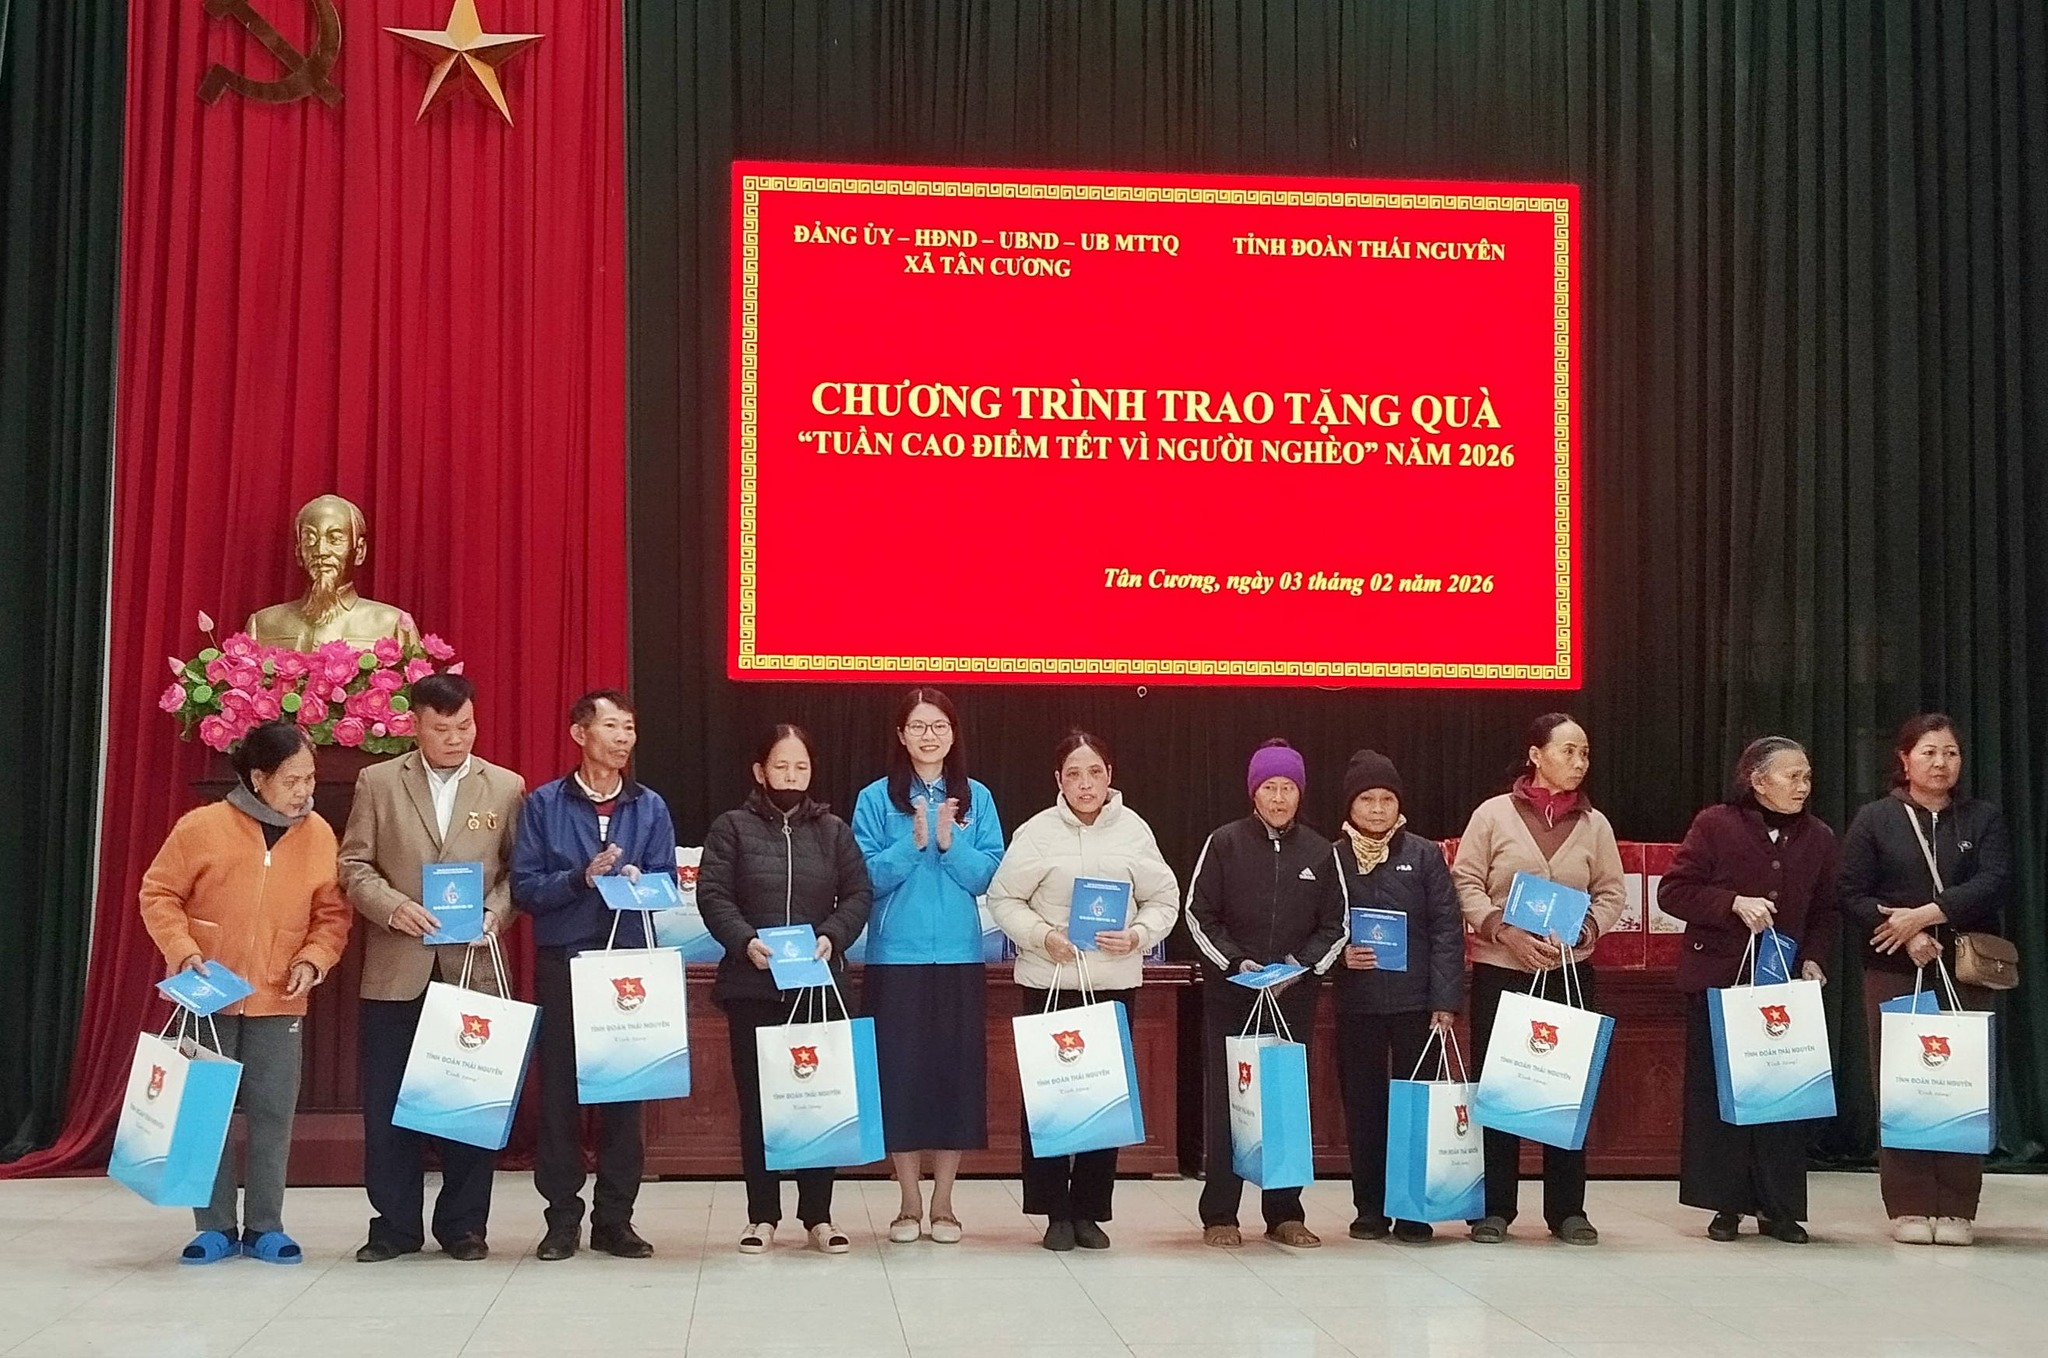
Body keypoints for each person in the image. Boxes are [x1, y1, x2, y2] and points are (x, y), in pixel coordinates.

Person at [138, 720, 353, 1265]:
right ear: (258, 778)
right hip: (207, 993)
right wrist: (184, 950)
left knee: (273, 1113)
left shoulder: (319, 834)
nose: (304, 791)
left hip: (280, 995)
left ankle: (264, 1227)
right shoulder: (203, 826)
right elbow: (158, 893)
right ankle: (212, 1226)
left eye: (309, 778)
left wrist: (314, 959)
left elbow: (332, 915)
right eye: (292, 780)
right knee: (203, 1112)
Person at [339, 672, 525, 1262]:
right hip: (399, 966)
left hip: (473, 965)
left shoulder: (505, 786)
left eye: (465, 726)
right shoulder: (378, 782)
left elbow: (518, 872)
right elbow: (353, 865)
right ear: (414, 725)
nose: (456, 738)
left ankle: (464, 1226)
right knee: (390, 1106)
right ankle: (394, 1227)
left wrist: (494, 914)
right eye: (442, 729)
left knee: (470, 1099)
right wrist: (392, 907)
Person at [985, 730, 1180, 1251]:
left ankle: (1090, 1211)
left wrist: (1137, 935)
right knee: (1048, 1101)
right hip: (1049, 982)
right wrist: (1040, 936)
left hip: (1112, 982)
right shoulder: (1036, 833)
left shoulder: (1135, 831)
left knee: (1103, 1100)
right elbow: (1003, 899)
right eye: (1074, 773)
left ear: (1110, 775)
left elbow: (1165, 900)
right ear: (1058, 780)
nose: (1085, 783)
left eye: (1095, 772)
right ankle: (1053, 1210)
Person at [510, 690, 677, 1261]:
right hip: (566, 961)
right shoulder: (543, 804)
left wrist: (639, 881)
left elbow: (667, 885)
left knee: (626, 1094)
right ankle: (561, 1221)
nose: (623, 738)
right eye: (612, 726)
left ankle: (616, 1220)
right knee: (560, 1094)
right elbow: (525, 888)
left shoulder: (649, 806)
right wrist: (581, 878)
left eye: (629, 727)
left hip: (627, 965)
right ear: (580, 734)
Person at [697, 724, 873, 1255]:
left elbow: (858, 893)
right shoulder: (732, 827)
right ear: (760, 771)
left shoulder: (834, 831)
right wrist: (744, 941)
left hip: (819, 987)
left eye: (801, 767)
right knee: (759, 1105)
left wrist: (833, 936)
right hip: (753, 985)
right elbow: (713, 893)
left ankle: (818, 1215)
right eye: (781, 766)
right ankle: (762, 1216)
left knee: (819, 1100)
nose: (791, 776)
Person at [1452, 713, 1626, 1246]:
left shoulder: (1595, 825)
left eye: (1585, 753)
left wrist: (1584, 931)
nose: (1580, 762)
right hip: (1502, 971)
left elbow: (1612, 892)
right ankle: (1495, 1209)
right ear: (1536, 755)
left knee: (1565, 1089)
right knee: (1500, 1088)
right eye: (1568, 750)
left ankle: (1568, 1210)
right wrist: (1503, 932)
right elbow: (1466, 880)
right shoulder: (1492, 814)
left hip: (1569, 974)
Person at [1838, 713, 2012, 1246]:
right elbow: (1850, 892)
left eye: (1950, 753)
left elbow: (1996, 881)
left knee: (1961, 1085)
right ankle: (1909, 1205)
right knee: (1904, 1085)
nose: (1941, 763)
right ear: (1904, 759)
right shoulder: (1875, 818)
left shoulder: (1982, 818)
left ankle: (1957, 1208)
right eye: (1929, 752)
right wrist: (1905, 932)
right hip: (1894, 969)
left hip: (1966, 970)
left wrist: (1929, 914)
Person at [1658, 737, 1838, 1243]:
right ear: (1757, 781)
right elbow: (1673, 892)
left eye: (1807, 776)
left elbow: (1826, 910)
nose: (1803, 786)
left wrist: (1814, 959)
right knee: (1720, 1096)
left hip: (1782, 987)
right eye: (1792, 776)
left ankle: (1778, 1208)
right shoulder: (1716, 824)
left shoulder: (1820, 837)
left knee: (1782, 1097)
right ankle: (1726, 1205)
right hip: (1720, 983)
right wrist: (1732, 903)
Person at [851, 687, 1004, 1245]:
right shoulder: (875, 798)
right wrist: (912, 844)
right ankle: (908, 1202)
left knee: (953, 1077)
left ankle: (944, 1203)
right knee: (901, 1078)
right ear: (901, 735)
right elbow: (862, 877)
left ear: (953, 733)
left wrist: (950, 841)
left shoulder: (976, 797)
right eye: (918, 726)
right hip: (896, 958)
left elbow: (990, 875)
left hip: (959, 956)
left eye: (939, 725)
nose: (929, 735)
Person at [1185, 738, 1347, 1249]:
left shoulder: (1321, 852)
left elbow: (1337, 925)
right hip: (1232, 995)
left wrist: (1301, 965)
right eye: (1270, 787)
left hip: (1292, 997)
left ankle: (1284, 1213)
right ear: (1253, 792)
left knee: (1284, 1102)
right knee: (1227, 1102)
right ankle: (1220, 1214)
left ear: (1301, 793)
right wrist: (1236, 963)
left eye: (1288, 788)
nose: (1279, 798)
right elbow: (1198, 913)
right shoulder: (1224, 843)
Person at [1327, 750, 1463, 1244]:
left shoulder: (1424, 855)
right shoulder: (1333, 857)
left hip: (1417, 1007)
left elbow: (1447, 929)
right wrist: (1340, 955)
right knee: (1363, 1108)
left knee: (1414, 1109)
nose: (1378, 808)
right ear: (1351, 804)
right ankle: (1369, 1209)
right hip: (1357, 1003)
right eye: (1368, 799)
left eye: (1387, 799)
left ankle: (1413, 1211)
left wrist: (1444, 1001)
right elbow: (1321, 926)